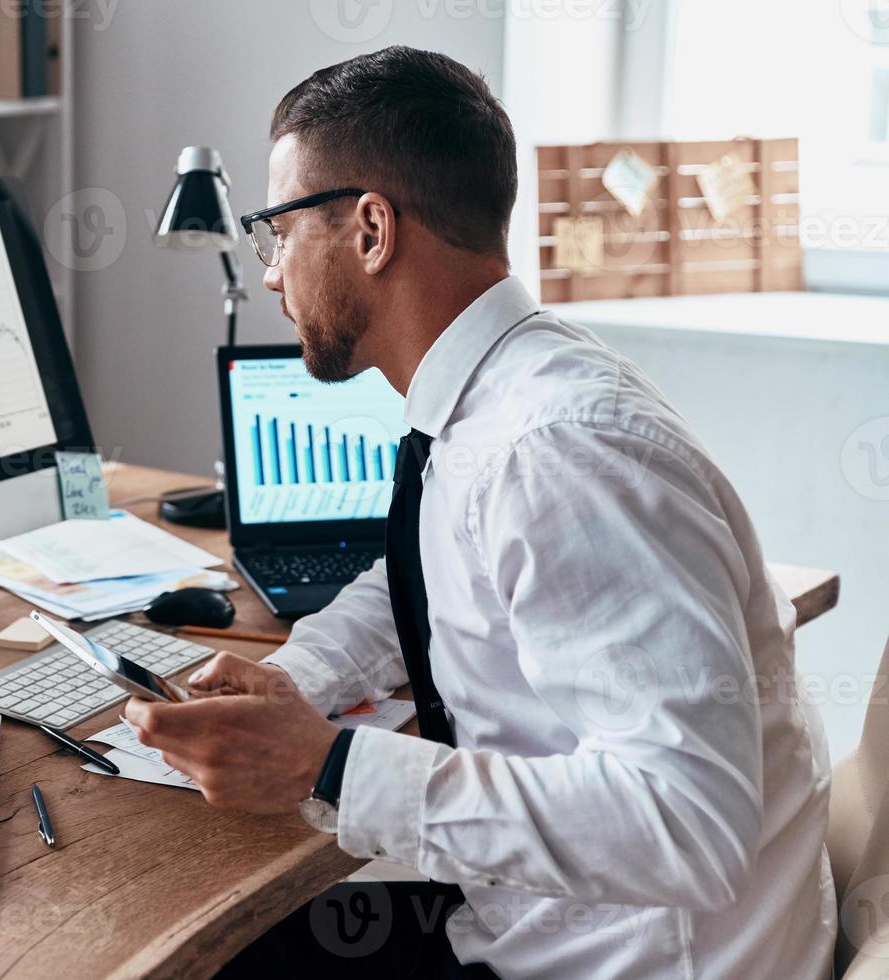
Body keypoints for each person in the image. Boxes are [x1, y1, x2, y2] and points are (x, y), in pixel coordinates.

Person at [123, 46, 834, 979]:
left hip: (631, 958)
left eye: (278, 231)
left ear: (371, 229)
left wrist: (327, 766)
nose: (268, 274)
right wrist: (300, 678)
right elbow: (422, 574)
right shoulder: (499, 393)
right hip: (543, 921)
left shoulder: (558, 448)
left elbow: (690, 823)